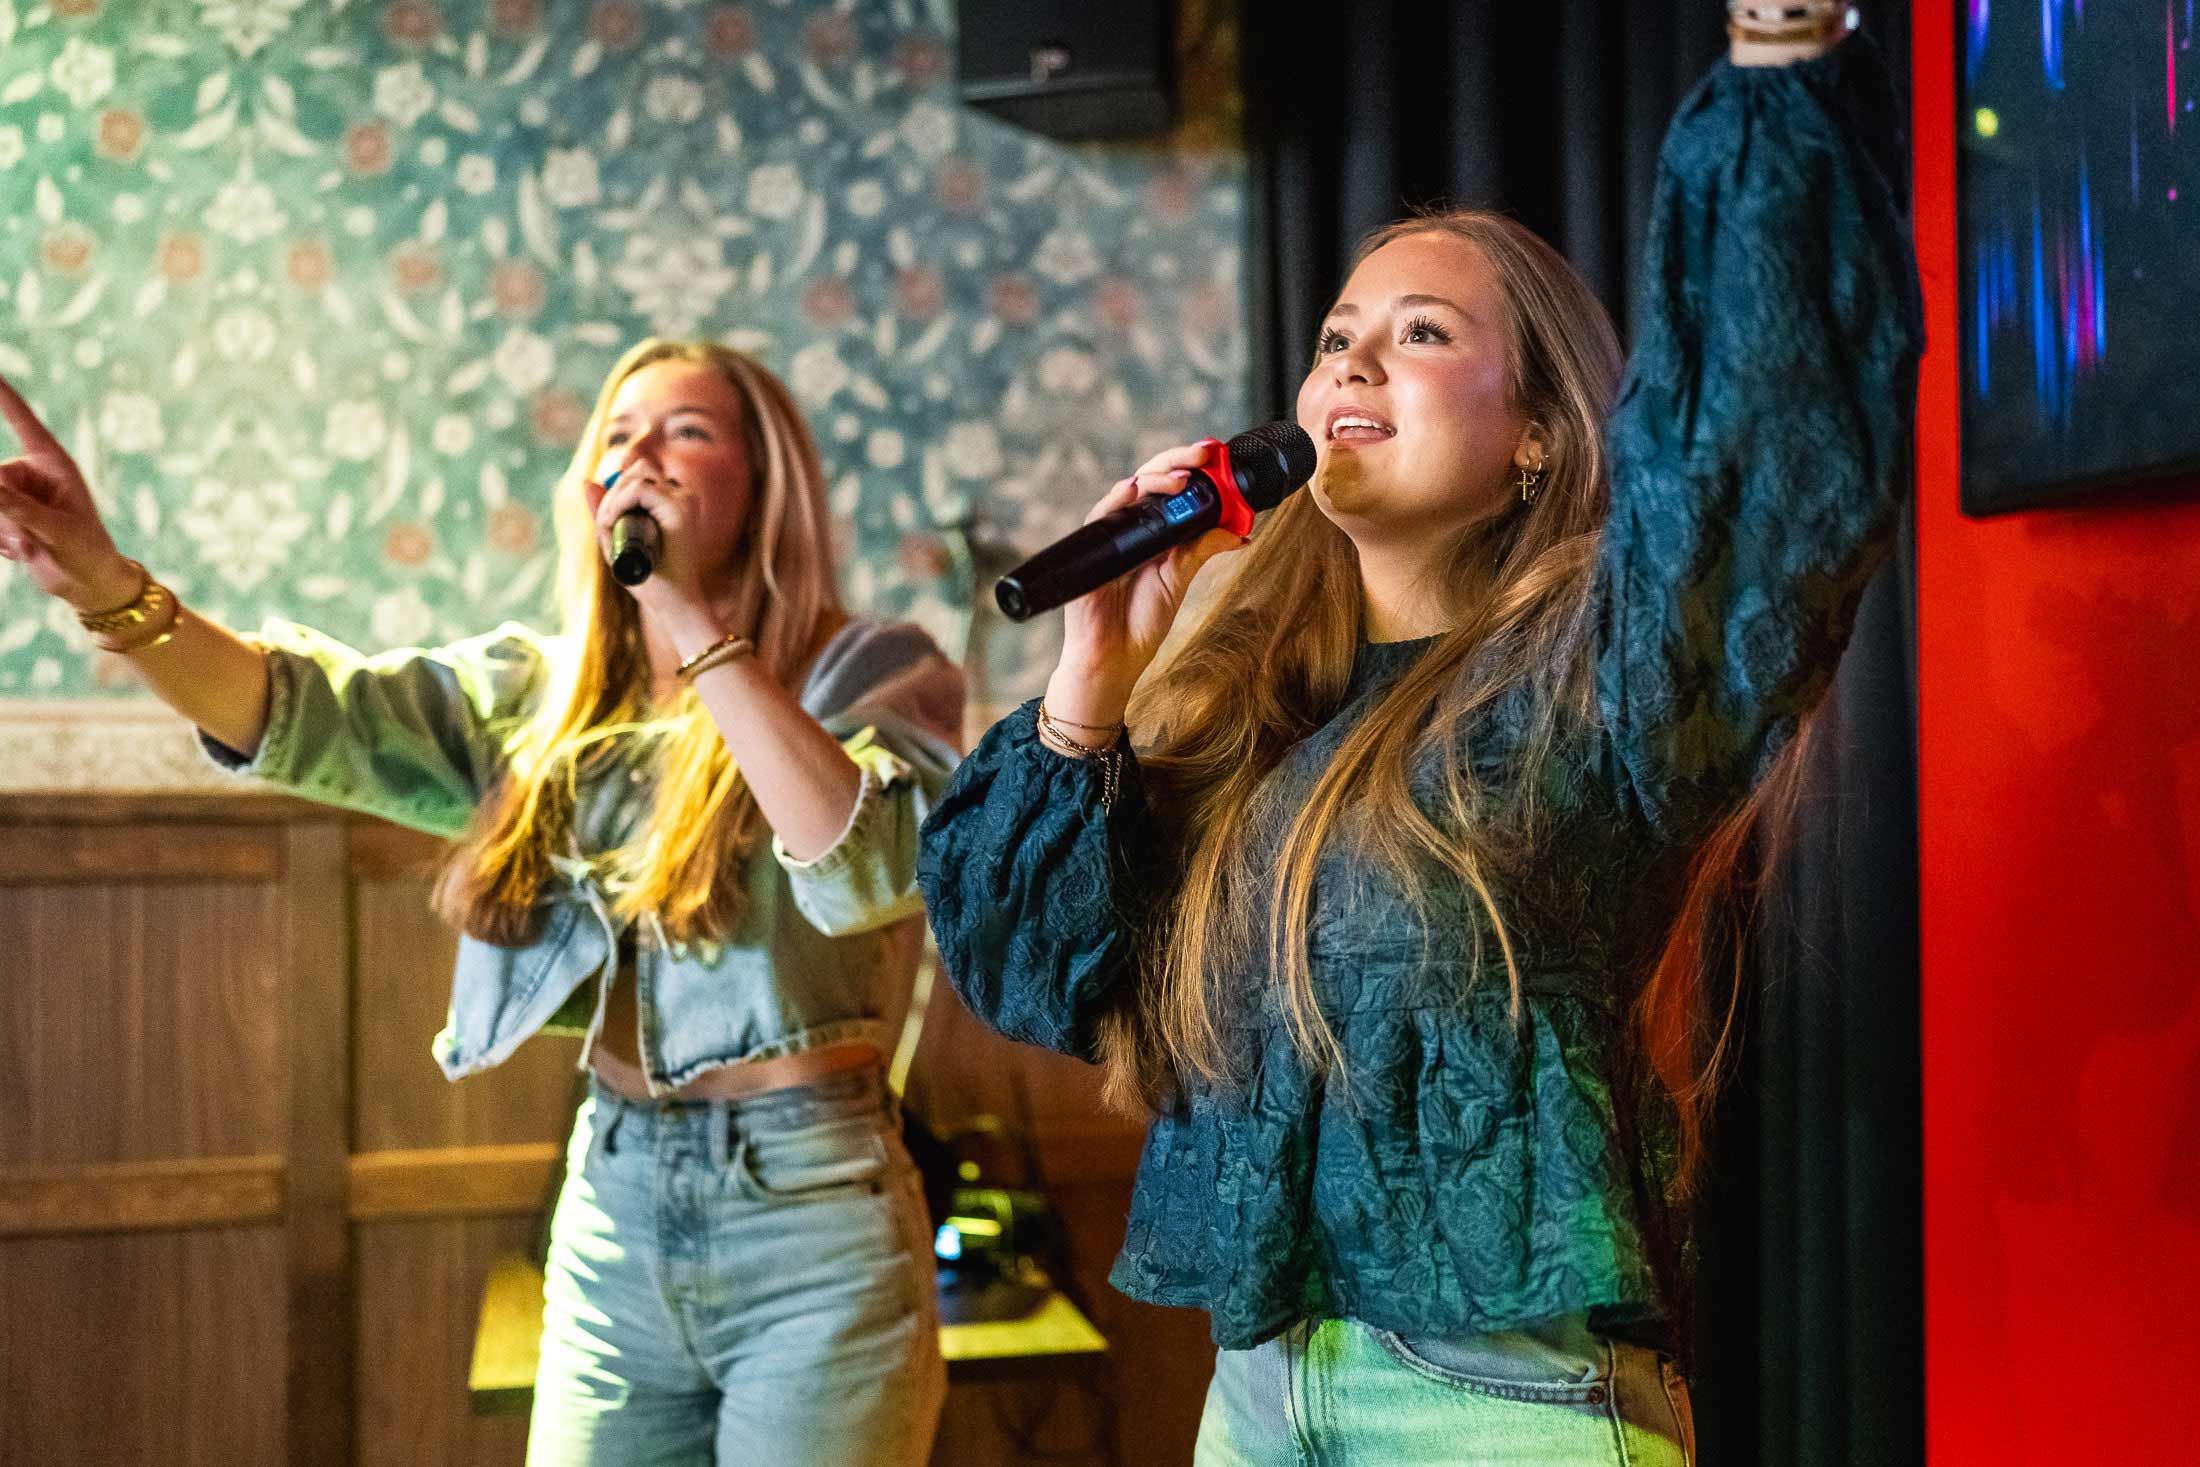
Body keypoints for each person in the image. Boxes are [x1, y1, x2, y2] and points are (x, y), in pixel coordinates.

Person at [916, 6, 1919, 1463]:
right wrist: (1096, 672)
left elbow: (1758, 451)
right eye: (1337, 339)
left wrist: (1781, 51)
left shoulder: (1603, 680)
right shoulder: (1242, 714)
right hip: (1257, 1396)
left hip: (1500, 1405)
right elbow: (1029, 973)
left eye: (1421, 334)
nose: (1352, 365)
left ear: (1535, 432)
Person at [0, 339, 961, 1466]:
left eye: (687, 432)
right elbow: (303, 712)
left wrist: (690, 616)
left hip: (814, 1210)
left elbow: (861, 866)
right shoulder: (539, 696)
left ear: (764, 486)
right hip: (614, 1205)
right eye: (618, 436)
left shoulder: (869, 669)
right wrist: (107, 586)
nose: (642, 455)